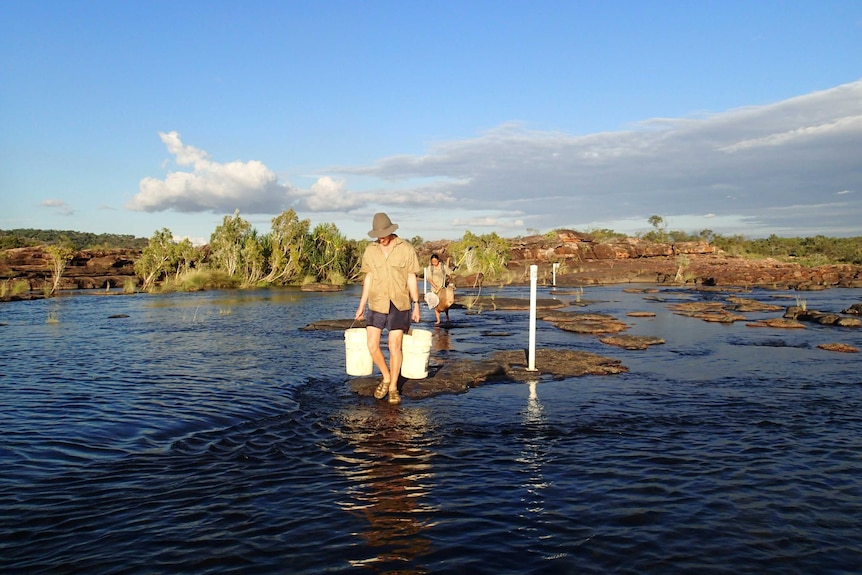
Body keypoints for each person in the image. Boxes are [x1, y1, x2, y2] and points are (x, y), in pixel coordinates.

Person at [354, 213, 421, 404]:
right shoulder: (371, 250)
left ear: (391, 231)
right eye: (377, 234)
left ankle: (392, 388)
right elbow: (368, 279)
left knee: (394, 346)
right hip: (376, 303)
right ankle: (386, 376)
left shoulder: (406, 249)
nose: (380, 237)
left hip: (399, 303)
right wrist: (361, 306)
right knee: (372, 345)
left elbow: (411, 277)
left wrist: (416, 304)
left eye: (383, 234)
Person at [427, 254, 453, 324]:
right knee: (435, 305)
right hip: (434, 289)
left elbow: (451, 273)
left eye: (435, 261)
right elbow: (429, 279)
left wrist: (450, 277)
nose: (434, 263)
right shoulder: (430, 268)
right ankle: (438, 320)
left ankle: (447, 317)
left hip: (443, 288)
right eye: (433, 262)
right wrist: (435, 287)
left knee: (445, 304)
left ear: (438, 260)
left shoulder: (443, 267)